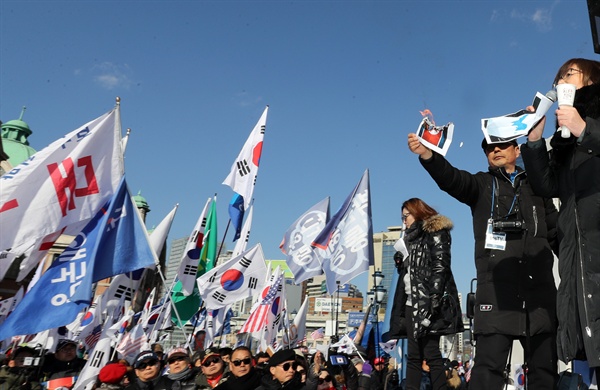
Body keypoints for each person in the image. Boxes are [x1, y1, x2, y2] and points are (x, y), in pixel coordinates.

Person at [407, 133, 559, 389]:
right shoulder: (481, 184)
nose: (495, 150)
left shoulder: (538, 187)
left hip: (539, 297)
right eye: (489, 147)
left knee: (544, 372)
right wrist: (427, 155)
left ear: (517, 150)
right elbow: (451, 179)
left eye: (502, 145)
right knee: (486, 373)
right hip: (496, 294)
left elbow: (557, 234)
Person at [521, 58, 600, 377]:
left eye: (569, 73)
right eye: (558, 77)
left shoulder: (585, 126)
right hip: (576, 256)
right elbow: (545, 185)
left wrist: (586, 129)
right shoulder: (565, 139)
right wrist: (535, 140)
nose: (560, 80)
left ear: (592, 78)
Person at [387, 198, 463, 390]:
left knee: (431, 353)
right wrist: (401, 261)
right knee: (413, 356)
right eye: (402, 217)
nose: (404, 220)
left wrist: (434, 299)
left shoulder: (435, 232)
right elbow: (412, 275)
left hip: (428, 303)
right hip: (412, 302)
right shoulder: (408, 240)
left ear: (418, 212)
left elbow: (440, 267)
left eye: (407, 216)